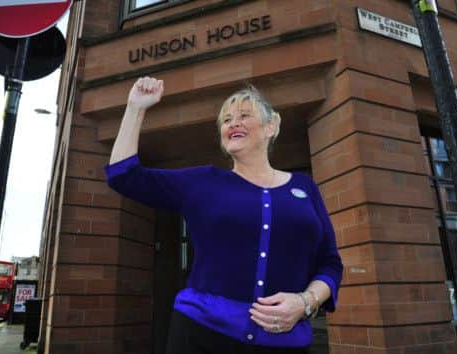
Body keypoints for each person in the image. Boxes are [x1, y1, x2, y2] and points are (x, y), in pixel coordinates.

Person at [105, 77, 343, 354]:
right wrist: (135, 108)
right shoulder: (203, 181)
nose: (233, 123)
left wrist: (305, 302)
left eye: (244, 115)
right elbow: (123, 176)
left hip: (286, 342)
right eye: (226, 120)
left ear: (271, 126)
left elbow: (330, 263)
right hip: (202, 334)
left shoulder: (304, 188)